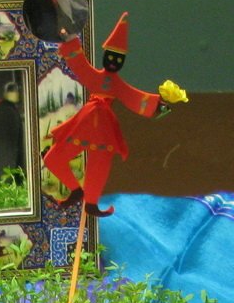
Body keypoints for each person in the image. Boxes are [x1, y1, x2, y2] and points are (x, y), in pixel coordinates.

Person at [42, 14, 166, 217]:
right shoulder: (94, 77)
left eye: (118, 59)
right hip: (84, 124)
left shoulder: (118, 85)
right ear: (105, 55)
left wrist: (159, 106)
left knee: (99, 165)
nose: (114, 61)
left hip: (104, 130)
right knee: (53, 158)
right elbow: (79, 64)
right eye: (111, 56)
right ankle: (76, 190)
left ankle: (91, 203)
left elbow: (135, 98)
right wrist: (68, 39)